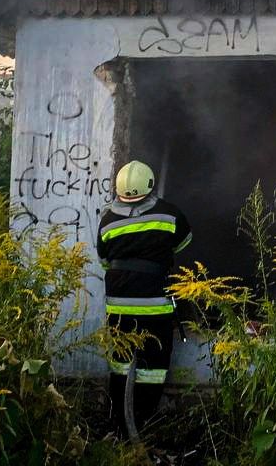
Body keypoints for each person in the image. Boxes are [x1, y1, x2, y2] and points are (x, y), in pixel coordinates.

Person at [95, 160, 192, 436]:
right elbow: (185, 242)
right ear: (150, 186)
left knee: (120, 362)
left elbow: (104, 261)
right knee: (153, 367)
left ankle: (119, 425)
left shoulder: (107, 221)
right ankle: (143, 420)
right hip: (156, 308)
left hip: (119, 307)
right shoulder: (169, 214)